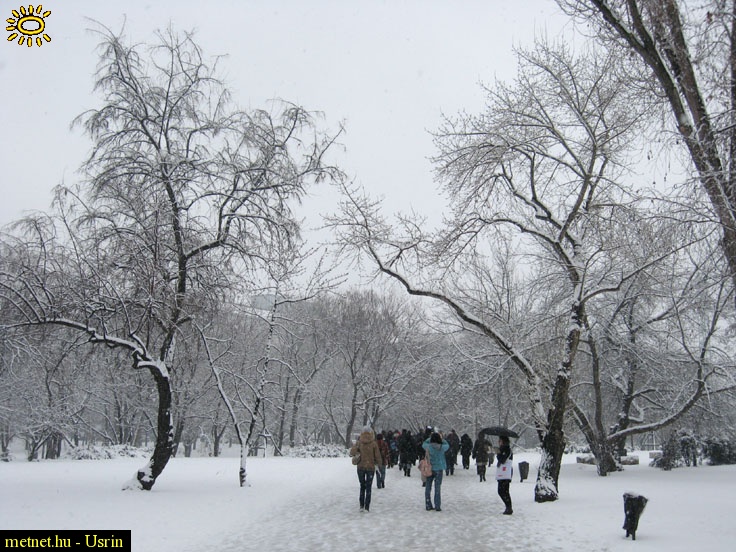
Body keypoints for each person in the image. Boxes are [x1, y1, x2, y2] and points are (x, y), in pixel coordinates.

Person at [349, 425, 383, 512]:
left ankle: (361, 505)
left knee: (362, 486)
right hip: (370, 468)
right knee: (368, 487)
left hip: (360, 467)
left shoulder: (359, 442)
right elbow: (378, 456)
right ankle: (367, 506)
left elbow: (352, 453)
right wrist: (379, 465)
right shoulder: (373, 443)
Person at [422, 432, 450, 511]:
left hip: (429, 468)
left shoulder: (428, 447)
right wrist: (441, 439)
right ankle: (437, 505)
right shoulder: (442, 447)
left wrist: (430, 438)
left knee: (428, 487)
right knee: (437, 487)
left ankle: (428, 504)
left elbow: (424, 443)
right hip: (439, 468)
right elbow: (447, 445)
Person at [495, 435, 514, 515]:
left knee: (503, 491)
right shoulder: (503, 449)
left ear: (503, 441)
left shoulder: (506, 449)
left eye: (500, 441)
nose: (498, 442)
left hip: (505, 474)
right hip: (503, 474)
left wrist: (498, 453)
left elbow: (502, 460)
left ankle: (509, 507)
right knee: (503, 491)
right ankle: (508, 507)